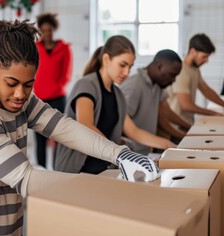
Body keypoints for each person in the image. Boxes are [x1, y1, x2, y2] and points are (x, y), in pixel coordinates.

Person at [0, 20, 160, 236]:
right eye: (11, 83)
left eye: (28, 85)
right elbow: (27, 179)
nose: (20, 94)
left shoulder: (23, 104)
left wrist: (119, 154)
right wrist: (102, 186)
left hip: (9, 231)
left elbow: (64, 127)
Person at [54, 36, 174, 174]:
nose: (127, 73)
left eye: (130, 67)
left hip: (103, 169)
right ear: (106, 59)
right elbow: (86, 125)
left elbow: (134, 132)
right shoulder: (86, 85)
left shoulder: (118, 95)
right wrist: (120, 153)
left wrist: (168, 144)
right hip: (78, 170)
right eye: (122, 65)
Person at [120, 49, 191, 155]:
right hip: (131, 153)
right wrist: (184, 136)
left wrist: (190, 129)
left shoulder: (157, 85)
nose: (173, 80)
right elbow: (122, 124)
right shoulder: (135, 85)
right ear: (159, 66)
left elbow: (166, 113)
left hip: (146, 150)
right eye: (172, 75)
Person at [33, 13, 72, 168]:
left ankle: (57, 169)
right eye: (43, 30)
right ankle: (41, 171)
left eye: (49, 30)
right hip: (39, 100)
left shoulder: (64, 49)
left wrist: (53, 88)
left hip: (58, 99)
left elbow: (66, 75)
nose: (47, 33)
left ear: (53, 30)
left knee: (57, 138)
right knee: (40, 139)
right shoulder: (36, 48)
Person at [166, 33, 224, 125]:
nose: (206, 61)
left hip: (186, 123)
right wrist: (213, 113)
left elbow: (207, 91)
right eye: (204, 57)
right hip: (176, 126)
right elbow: (186, 105)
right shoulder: (181, 71)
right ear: (193, 51)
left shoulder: (194, 69)